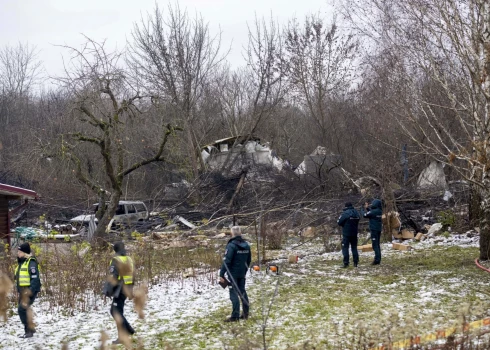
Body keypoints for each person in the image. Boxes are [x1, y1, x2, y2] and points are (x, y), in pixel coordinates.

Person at [104, 241, 135, 344]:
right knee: (115, 310)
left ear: (115, 250)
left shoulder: (116, 260)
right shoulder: (129, 259)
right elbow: (133, 275)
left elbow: (114, 277)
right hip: (127, 288)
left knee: (116, 312)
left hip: (120, 289)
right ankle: (129, 329)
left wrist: (108, 290)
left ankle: (123, 335)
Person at [219, 226, 251, 322]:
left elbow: (227, 261)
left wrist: (221, 274)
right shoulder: (246, 245)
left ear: (232, 233)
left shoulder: (231, 246)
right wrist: (245, 271)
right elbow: (248, 260)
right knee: (242, 292)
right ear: (240, 233)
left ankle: (235, 316)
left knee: (233, 293)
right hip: (242, 273)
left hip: (232, 274)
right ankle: (245, 314)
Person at [14, 242, 41, 338]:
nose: (18, 253)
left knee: (22, 309)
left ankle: (29, 331)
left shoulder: (31, 262)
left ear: (25, 253)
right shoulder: (21, 262)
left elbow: (35, 279)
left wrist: (30, 291)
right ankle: (30, 329)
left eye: (19, 252)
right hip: (22, 290)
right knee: (23, 310)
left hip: (29, 290)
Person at [337, 202, 360, 268]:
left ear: (346, 207)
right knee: (354, 247)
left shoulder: (345, 213)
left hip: (346, 233)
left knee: (345, 248)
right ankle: (356, 262)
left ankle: (346, 263)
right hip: (354, 233)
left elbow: (339, 222)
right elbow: (358, 220)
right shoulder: (356, 213)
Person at [361, 199, 383, 265]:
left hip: (374, 229)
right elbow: (371, 213)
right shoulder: (379, 211)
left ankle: (377, 260)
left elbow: (365, 215)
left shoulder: (374, 212)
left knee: (375, 245)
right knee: (377, 244)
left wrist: (362, 210)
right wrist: (367, 208)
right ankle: (378, 259)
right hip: (378, 229)